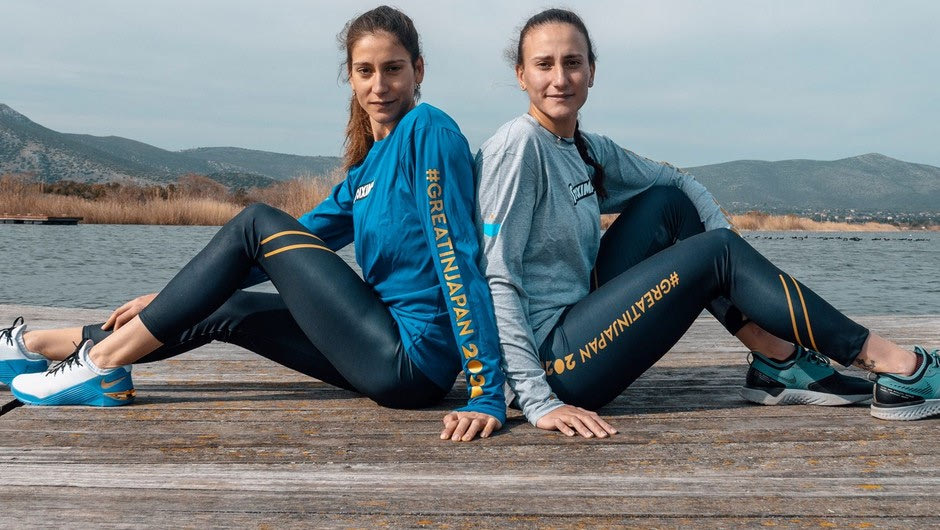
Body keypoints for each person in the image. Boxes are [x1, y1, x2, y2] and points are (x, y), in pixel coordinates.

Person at [0, 5, 504, 442]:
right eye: (365, 71)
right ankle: (35, 347)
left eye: (393, 69)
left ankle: (102, 365)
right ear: (350, 78)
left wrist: (486, 392)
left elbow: (458, 259)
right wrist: (171, 297)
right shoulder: (367, 170)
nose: (379, 85)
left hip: (413, 361)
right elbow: (287, 248)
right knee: (227, 305)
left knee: (256, 220)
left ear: (418, 70)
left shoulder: (427, 131)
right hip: (380, 350)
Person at [474, 8, 939, 437]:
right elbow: (496, 279)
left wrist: (730, 253)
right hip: (555, 364)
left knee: (669, 205)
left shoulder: (586, 148)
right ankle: (895, 364)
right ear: (521, 75)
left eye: (572, 62)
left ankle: (777, 360)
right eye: (544, 64)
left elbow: (678, 181)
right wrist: (537, 400)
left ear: (592, 71)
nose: (560, 78)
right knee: (717, 252)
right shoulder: (518, 149)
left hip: (580, 317)